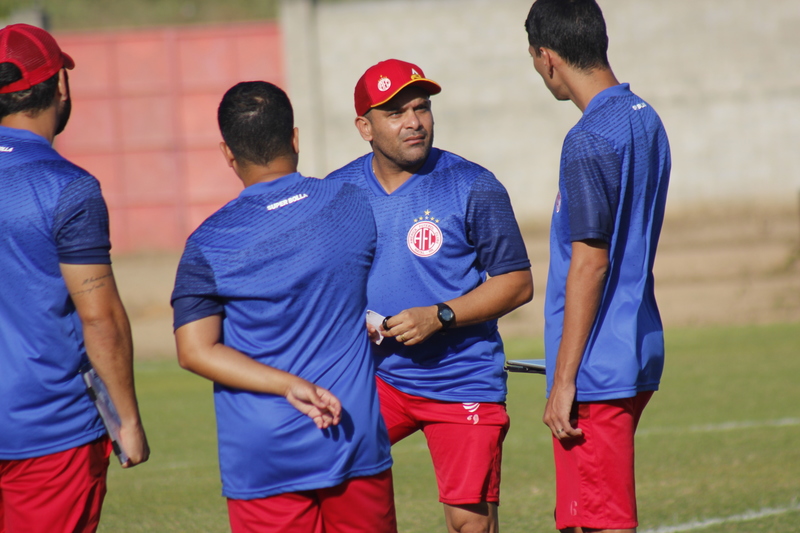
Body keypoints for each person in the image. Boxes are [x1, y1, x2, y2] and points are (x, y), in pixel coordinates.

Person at [171, 81, 396, 533]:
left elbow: (195, 351)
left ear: (228, 154)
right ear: (294, 138)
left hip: (262, 454)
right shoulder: (351, 204)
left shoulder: (206, 243)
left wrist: (287, 385)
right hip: (352, 440)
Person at [326, 59, 534, 533]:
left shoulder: (473, 185)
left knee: (470, 523)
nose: (414, 122)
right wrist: (354, 317)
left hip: (463, 379)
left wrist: (438, 316)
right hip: (374, 378)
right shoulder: (336, 191)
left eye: (421, 107)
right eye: (396, 112)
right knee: (329, 479)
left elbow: (516, 283)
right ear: (365, 127)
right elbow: (323, 280)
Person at [524, 1, 671, 532]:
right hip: (636, 344)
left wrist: (564, 381)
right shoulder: (645, 116)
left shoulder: (587, 138)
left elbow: (591, 261)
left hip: (596, 368)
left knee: (596, 523)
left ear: (546, 57)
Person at [0, 23, 150, 533]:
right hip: (48, 433)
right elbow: (100, 316)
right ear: (60, 87)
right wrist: (126, 420)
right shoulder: (68, 188)